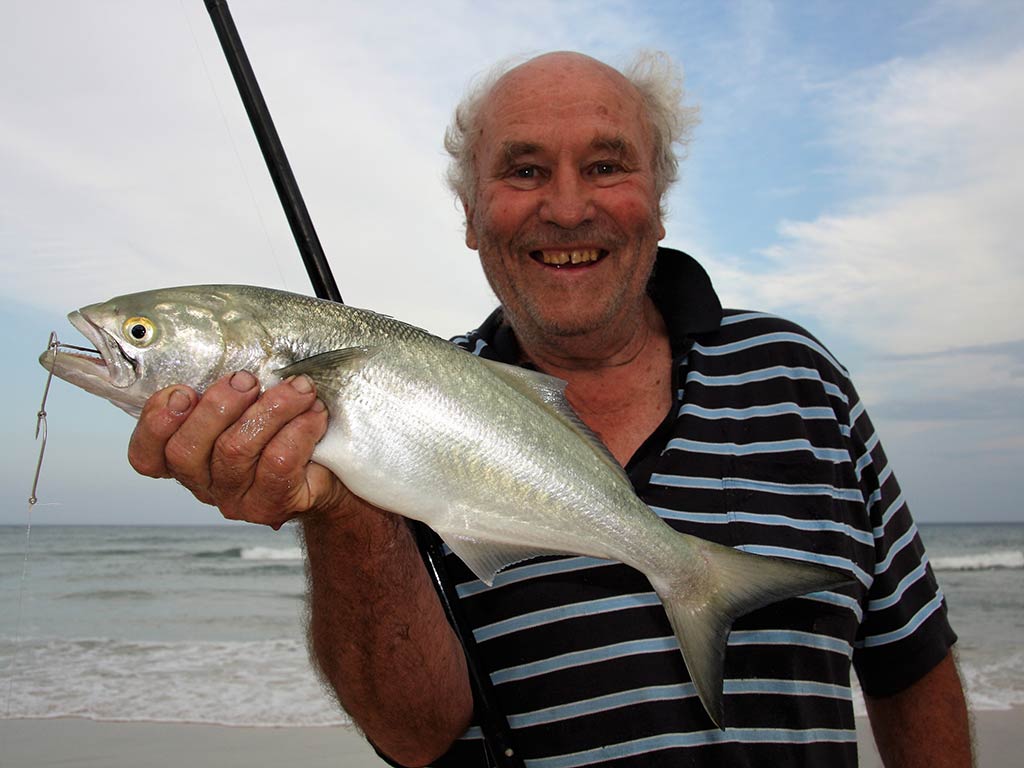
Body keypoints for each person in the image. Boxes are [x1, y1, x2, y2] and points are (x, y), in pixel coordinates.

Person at [127, 51, 972, 767]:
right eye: (524, 169)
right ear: (470, 214)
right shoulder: (389, 423)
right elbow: (417, 737)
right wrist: (343, 513)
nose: (567, 207)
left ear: (659, 198)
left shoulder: (798, 376)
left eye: (606, 166)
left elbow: (911, 664)